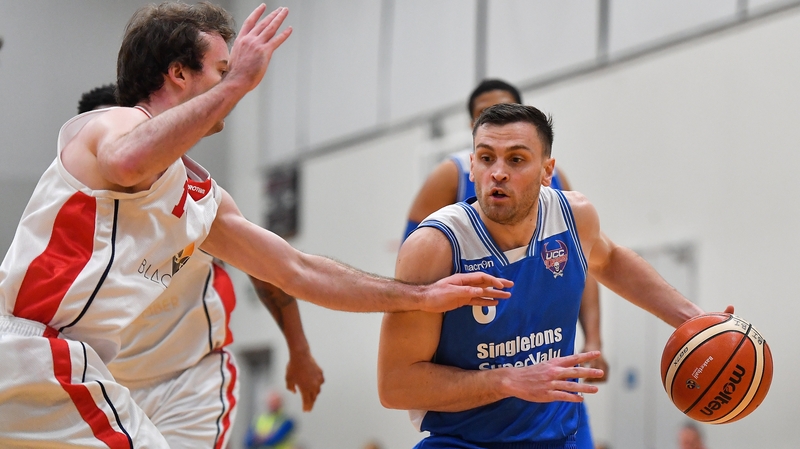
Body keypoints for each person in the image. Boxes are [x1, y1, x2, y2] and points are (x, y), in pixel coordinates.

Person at [0, 3, 512, 447]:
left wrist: (418, 297)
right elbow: (129, 162)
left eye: (232, 73)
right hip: (38, 353)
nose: (232, 81)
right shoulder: (115, 122)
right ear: (179, 73)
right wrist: (242, 82)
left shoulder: (199, 196)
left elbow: (297, 270)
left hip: (67, 367)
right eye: (222, 70)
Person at [378, 103, 730, 448]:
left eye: (516, 159)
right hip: (463, 441)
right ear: (472, 167)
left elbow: (610, 262)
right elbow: (396, 385)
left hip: (559, 439)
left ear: (548, 171)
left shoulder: (572, 217)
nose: (498, 172)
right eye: (486, 158)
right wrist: (506, 381)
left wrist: (696, 320)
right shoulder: (433, 248)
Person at [76, 82, 324, 448]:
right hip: (109, 385)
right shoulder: (74, 212)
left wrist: (299, 350)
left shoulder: (194, 201)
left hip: (189, 381)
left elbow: (267, 270)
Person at [402, 78, 607, 449]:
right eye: (484, 114)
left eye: (516, 157)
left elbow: (587, 261)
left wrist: (593, 336)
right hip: (476, 362)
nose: (500, 170)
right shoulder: (449, 177)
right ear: (473, 131)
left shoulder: (559, 194)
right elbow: (412, 262)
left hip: (544, 372)